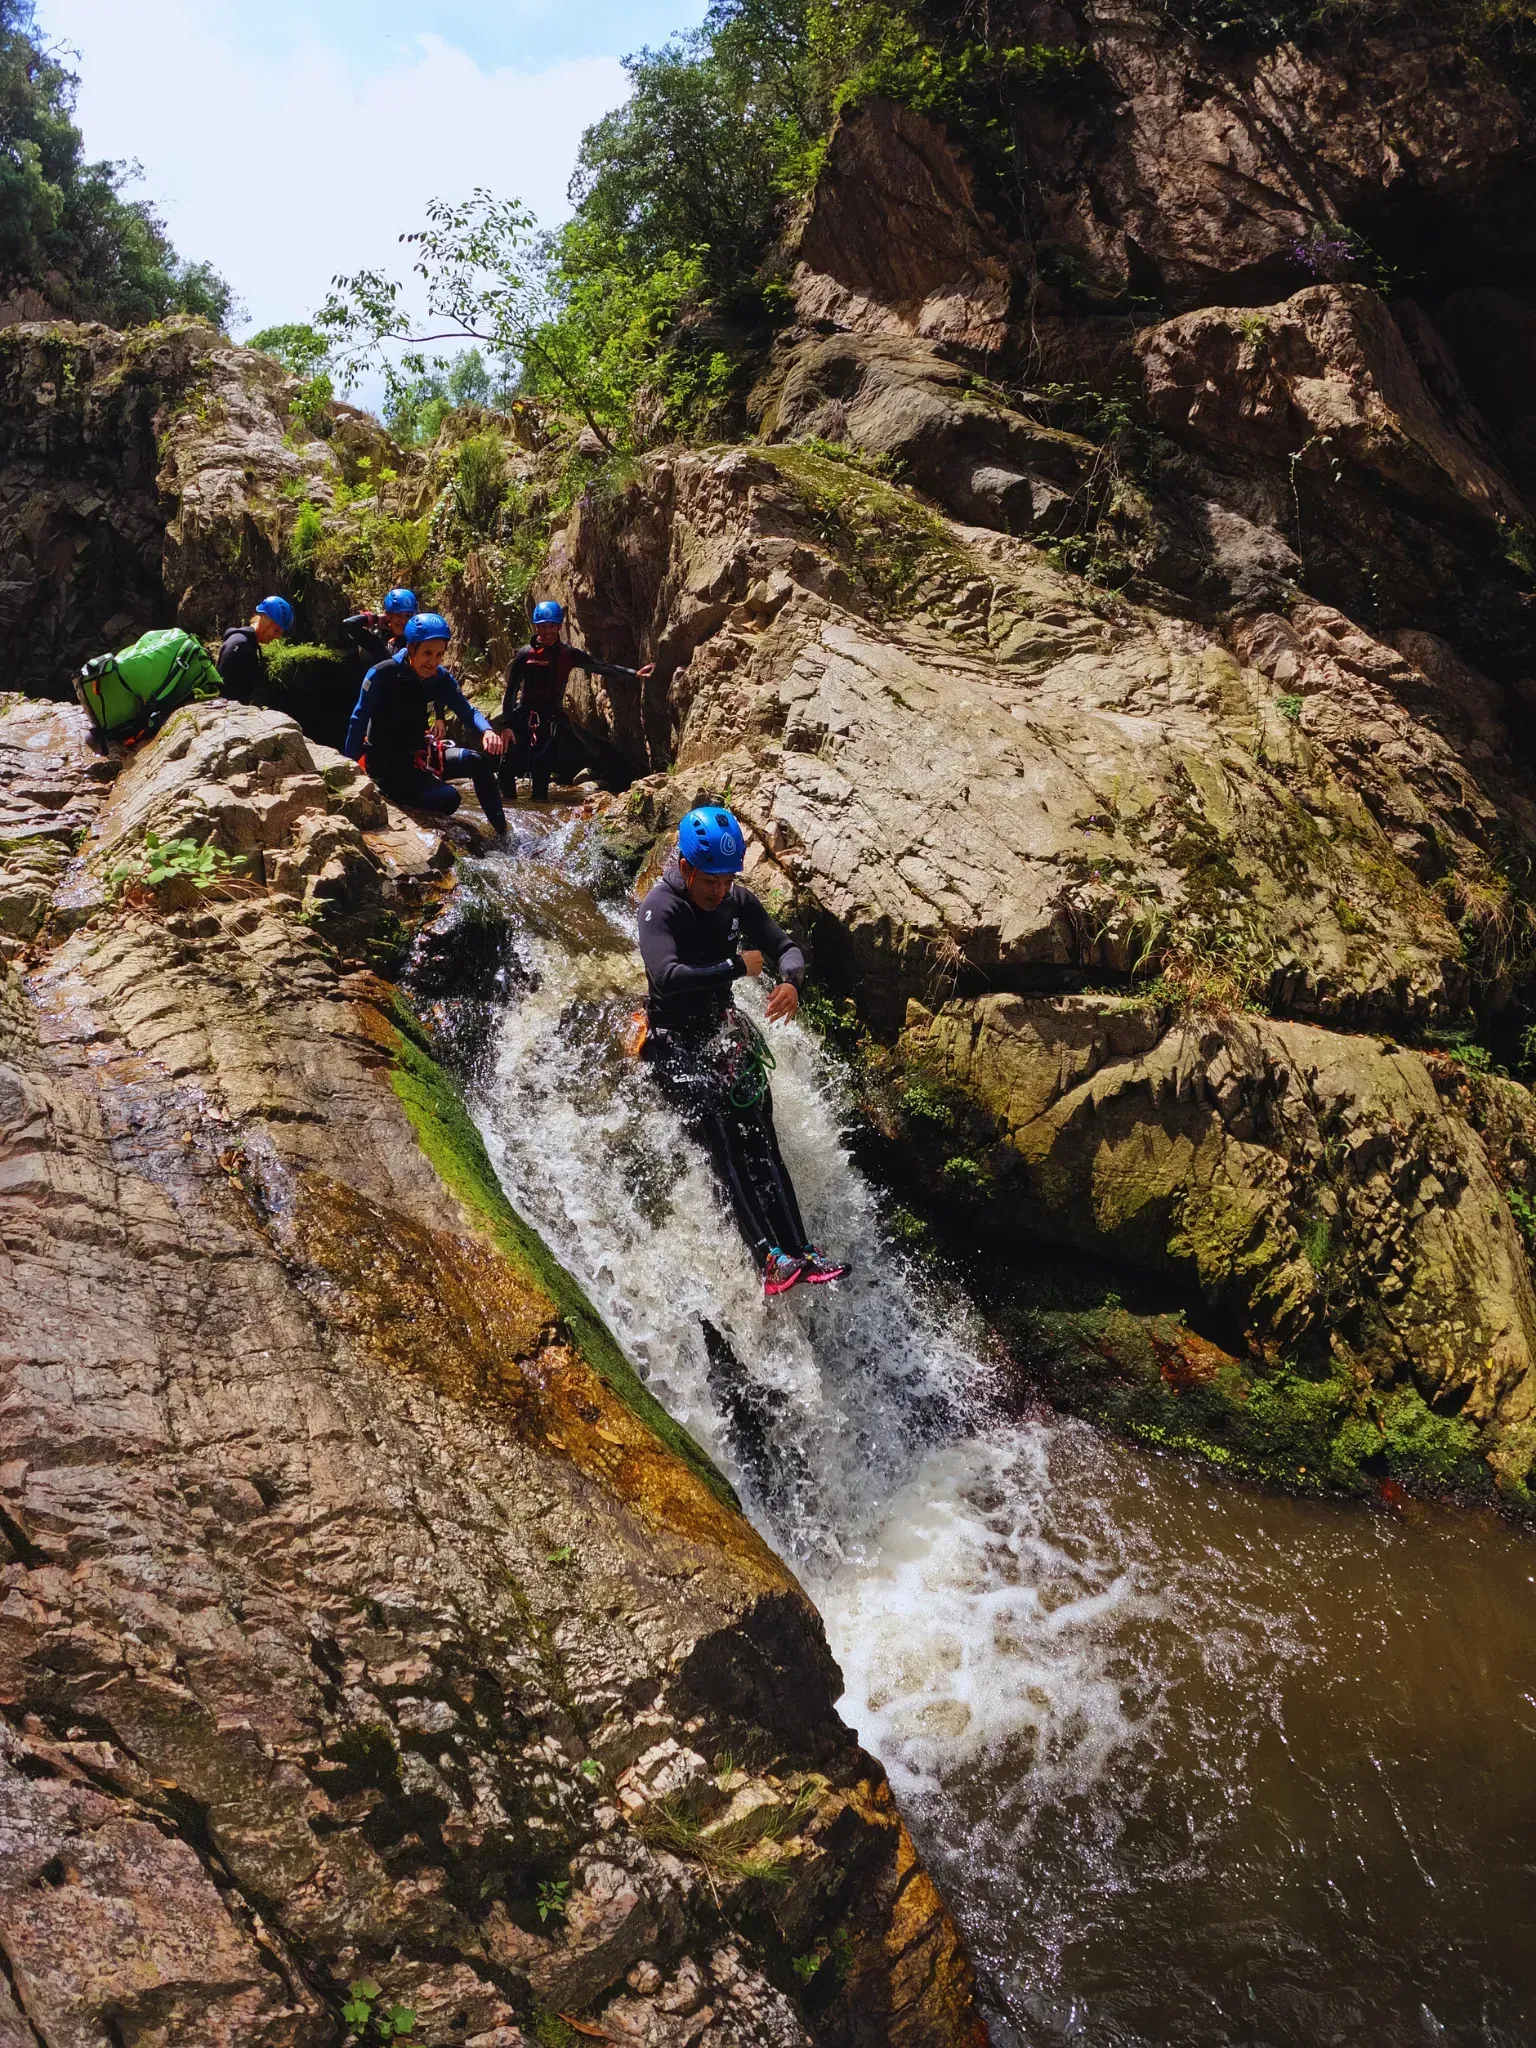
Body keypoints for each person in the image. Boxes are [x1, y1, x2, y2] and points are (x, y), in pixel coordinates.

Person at [636, 806, 850, 1298]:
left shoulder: (737, 900)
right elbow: (667, 975)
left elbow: (785, 946)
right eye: (710, 880)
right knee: (722, 1140)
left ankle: (803, 1251)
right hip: (675, 1039)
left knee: (763, 1138)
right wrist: (736, 966)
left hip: (723, 1031)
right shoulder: (660, 907)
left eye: (728, 880)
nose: (719, 891)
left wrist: (792, 982)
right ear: (687, 868)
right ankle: (767, 1258)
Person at [344, 611, 510, 834]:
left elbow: (466, 710)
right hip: (387, 767)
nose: (433, 662)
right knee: (450, 798)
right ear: (412, 648)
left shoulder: (439, 678)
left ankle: (503, 834)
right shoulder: (382, 674)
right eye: (428, 653)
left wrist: (487, 731)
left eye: (440, 654)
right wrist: (348, 768)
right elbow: (358, 720)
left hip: (420, 755)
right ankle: (401, 801)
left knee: (477, 762)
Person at [498, 599, 655, 802]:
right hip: (522, 718)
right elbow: (510, 692)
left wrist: (633, 673)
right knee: (506, 766)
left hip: (550, 721)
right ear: (536, 627)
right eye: (543, 626)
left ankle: (538, 811)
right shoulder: (525, 655)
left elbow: (599, 666)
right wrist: (506, 725)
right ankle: (508, 811)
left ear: (559, 626)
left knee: (541, 771)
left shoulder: (568, 654)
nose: (547, 631)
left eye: (552, 626)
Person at [216, 595, 293, 695]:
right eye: (276, 630)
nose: (278, 637)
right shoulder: (239, 644)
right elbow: (222, 687)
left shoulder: (250, 644)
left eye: (281, 633)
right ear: (264, 621)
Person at [342, 587, 418, 667]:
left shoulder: (418, 640)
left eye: (408, 615)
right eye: (398, 614)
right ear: (388, 615)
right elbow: (348, 625)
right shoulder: (379, 640)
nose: (403, 620)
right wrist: (375, 618)